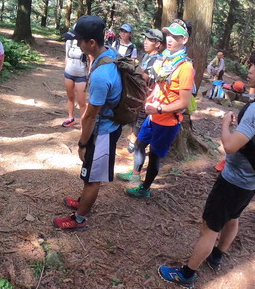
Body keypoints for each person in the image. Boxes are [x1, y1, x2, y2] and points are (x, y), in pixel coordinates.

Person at [159, 47, 255, 287]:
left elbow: (229, 146)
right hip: (253, 180)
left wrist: (225, 124)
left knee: (209, 227)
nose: (250, 70)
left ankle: (187, 274)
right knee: (233, 217)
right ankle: (217, 256)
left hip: (233, 180)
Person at [53, 15, 122, 231]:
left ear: (91, 42)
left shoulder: (102, 74)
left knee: (93, 178)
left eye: (79, 40)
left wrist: (83, 143)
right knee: (89, 171)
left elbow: (91, 115)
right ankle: (84, 200)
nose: (77, 44)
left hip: (103, 132)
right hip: (106, 127)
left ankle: (79, 218)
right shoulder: (109, 54)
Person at [124, 20, 194, 198]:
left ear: (184, 40)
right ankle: (135, 175)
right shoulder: (164, 58)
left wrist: (159, 109)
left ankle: (145, 189)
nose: (170, 39)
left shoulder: (185, 67)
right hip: (152, 115)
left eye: (175, 36)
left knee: (155, 156)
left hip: (167, 121)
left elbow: (184, 103)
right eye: (169, 34)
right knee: (139, 145)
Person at [120, 28, 165, 157]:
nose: (145, 42)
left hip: (148, 97)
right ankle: (132, 148)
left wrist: (133, 70)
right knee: (135, 122)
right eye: (145, 39)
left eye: (150, 40)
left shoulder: (158, 59)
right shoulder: (147, 55)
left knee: (140, 124)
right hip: (139, 95)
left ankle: (133, 152)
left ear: (157, 44)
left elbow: (145, 78)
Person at [61, 27, 88, 127]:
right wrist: (65, 70)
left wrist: (89, 73)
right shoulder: (69, 42)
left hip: (81, 75)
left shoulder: (86, 43)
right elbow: (67, 56)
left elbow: (90, 59)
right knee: (70, 97)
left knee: (82, 101)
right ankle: (70, 117)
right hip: (69, 73)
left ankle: (83, 123)